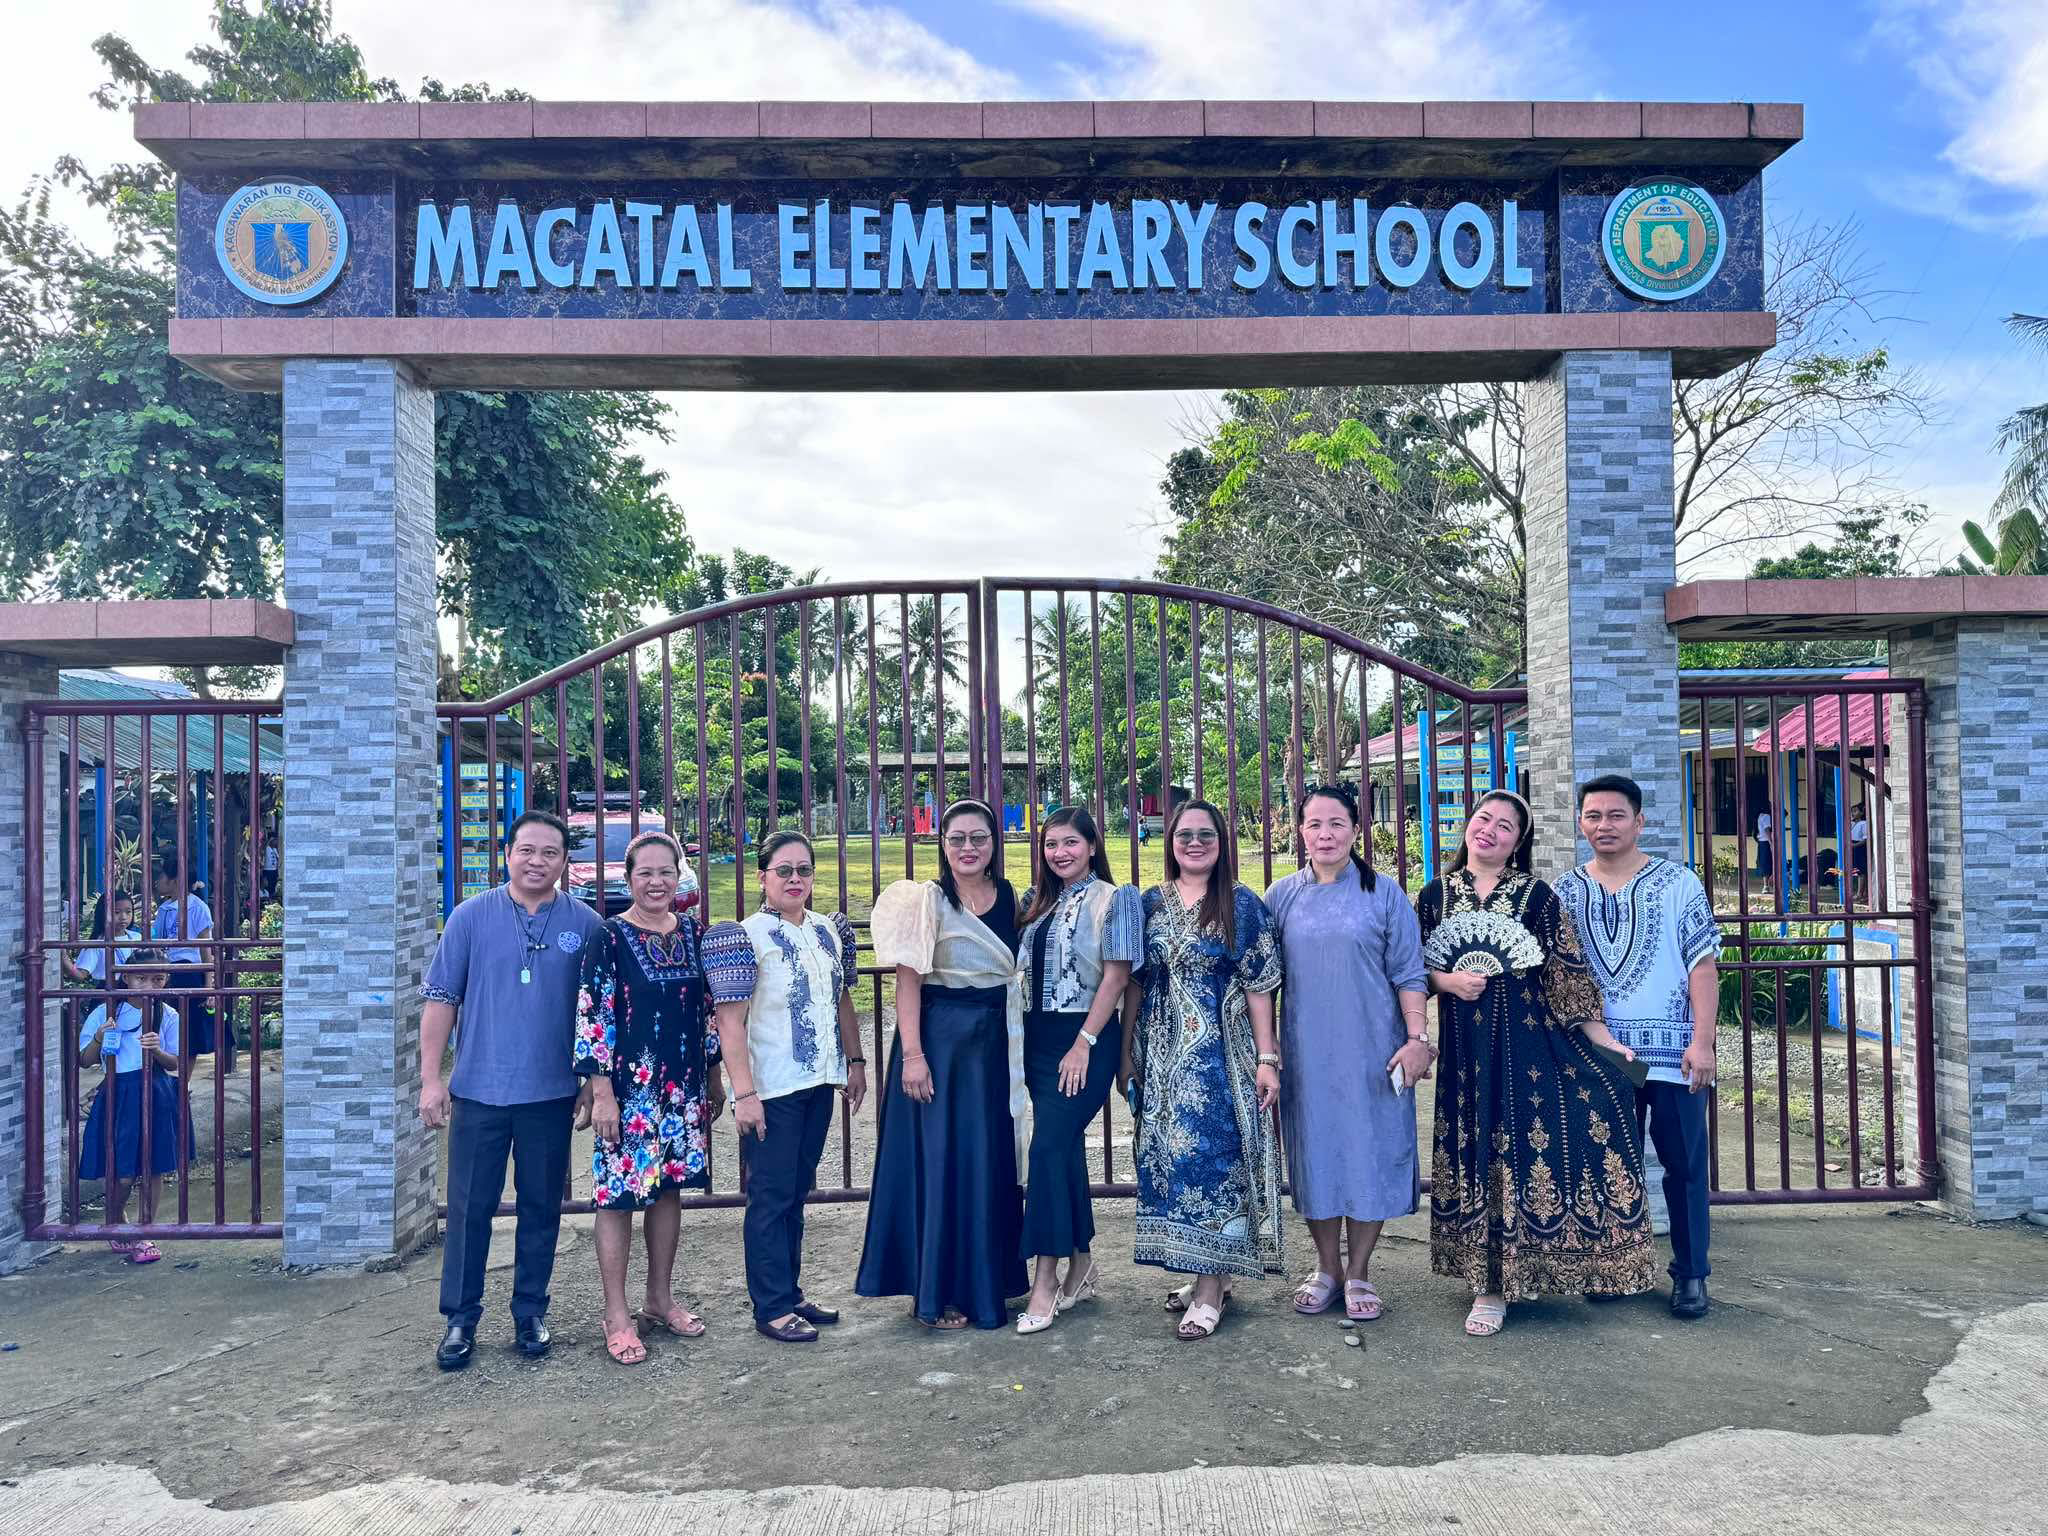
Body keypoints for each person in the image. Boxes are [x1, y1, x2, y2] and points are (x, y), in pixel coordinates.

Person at [1418, 790, 1655, 1337]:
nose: (1490, 831)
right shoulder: (1433, 898)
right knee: (1477, 1154)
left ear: (1518, 842)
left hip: (1528, 1048)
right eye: (1484, 819)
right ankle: (1485, 1284)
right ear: (1467, 825)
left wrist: (1605, 1040)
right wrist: (1446, 980)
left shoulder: (1537, 899)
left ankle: (1520, 1277)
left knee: (1527, 1155)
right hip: (1465, 1059)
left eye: (1505, 826)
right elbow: (1409, 973)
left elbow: (1566, 974)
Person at [419, 809, 603, 1371]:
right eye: (527, 850)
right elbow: (441, 1001)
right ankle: (460, 1318)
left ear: (565, 862)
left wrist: (592, 1085)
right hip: (479, 1092)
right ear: (507, 854)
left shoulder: (587, 925)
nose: (537, 861)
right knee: (470, 1210)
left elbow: (598, 1014)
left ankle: (530, 1310)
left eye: (550, 853)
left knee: (542, 1207)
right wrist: (432, 1079)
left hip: (550, 1095)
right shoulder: (470, 918)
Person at [575, 829, 748, 1365]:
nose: (656, 882)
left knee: (669, 1191)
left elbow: (709, 1012)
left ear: (681, 877)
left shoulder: (694, 934)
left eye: (666, 872)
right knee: (618, 1198)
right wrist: (602, 1093)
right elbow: (594, 1016)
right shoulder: (609, 937)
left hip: (683, 1091)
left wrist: (715, 1077)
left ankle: (659, 1298)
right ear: (629, 879)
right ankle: (617, 1313)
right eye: (645, 873)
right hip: (629, 1094)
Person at [1556, 774, 1723, 1321]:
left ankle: (1691, 1275)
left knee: (1684, 1167)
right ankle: (1613, 1267)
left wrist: (1703, 1042)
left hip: (1673, 1056)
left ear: (1639, 821)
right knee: (1606, 1167)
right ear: (1581, 822)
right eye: (1593, 816)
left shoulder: (1678, 884)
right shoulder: (1566, 892)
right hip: (1598, 1057)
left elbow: (1702, 965)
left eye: (1615, 815)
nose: (1604, 826)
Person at [856, 797, 1027, 1330]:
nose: (968, 848)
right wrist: (913, 1057)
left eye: (978, 838)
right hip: (938, 1047)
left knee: (985, 1161)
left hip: (994, 1050)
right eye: (957, 839)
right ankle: (937, 1292)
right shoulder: (925, 901)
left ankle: (987, 1285)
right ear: (943, 845)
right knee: (941, 1165)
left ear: (994, 844)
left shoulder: (1010, 899)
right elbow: (908, 981)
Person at [1265, 783, 1429, 1323]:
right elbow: (1261, 980)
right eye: (1314, 824)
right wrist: (1267, 1052)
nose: (1325, 834)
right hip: (1308, 1054)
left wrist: (1415, 1039)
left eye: (1336, 823)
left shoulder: (1385, 895)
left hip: (1373, 1053)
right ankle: (1326, 1267)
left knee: (1369, 1154)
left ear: (1356, 829)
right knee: (1316, 1155)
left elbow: (1409, 973)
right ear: (1300, 832)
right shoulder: (1281, 896)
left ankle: (1359, 1270)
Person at [1122, 799, 1285, 1342]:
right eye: (1184, 834)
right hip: (1164, 1058)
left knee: (1213, 1164)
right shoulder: (1150, 904)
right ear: (1169, 841)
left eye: (1206, 834)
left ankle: (1213, 1288)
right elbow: (1135, 982)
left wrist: (1267, 1059)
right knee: (1170, 1163)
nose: (1194, 843)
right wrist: (1129, 1052)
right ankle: (1201, 1273)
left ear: (1222, 842)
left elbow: (1261, 987)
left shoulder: (1242, 905)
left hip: (1220, 1058)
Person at [711, 831, 868, 1344]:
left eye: (804, 870)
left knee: (795, 1191)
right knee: (771, 1195)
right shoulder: (745, 935)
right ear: (762, 876)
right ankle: (772, 1305)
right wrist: (744, 1093)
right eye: (784, 870)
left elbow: (842, 999)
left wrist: (856, 1061)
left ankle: (791, 1291)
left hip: (819, 1080)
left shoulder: (827, 931)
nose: (795, 879)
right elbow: (729, 1022)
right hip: (772, 1086)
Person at [1013, 807, 1141, 1334]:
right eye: (1050, 845)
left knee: (1046, 1148)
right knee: (1059, 1149)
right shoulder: (1034, 901)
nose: (1059, 853)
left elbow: (1117, 977)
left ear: (1092, 845)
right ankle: (1082, 1262)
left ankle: (1044, 1279)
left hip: (1085, 1038)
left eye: (1070, 843)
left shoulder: (1117, 900)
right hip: (1035, 1041)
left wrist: (1086, 1042)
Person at [78, 951, 192, 1264]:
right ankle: (115, 1222)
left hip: (156, 1092)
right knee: (123, 1171)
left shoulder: (168, 1015)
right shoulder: (106, 1012)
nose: (149, 985)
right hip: (119, 1094)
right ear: (126, 978)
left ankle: (145, 1231)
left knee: (153, 1168)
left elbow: (178, 1063)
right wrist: (100, 1038)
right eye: (141, 977)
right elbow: (85, 1061)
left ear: (166, 980)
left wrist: (156, 1051)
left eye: (157, 979)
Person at [151, 859, 226, 1071]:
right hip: (165, 972)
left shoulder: (197, 907)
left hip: (189, 973)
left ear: (174, 880)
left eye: (162, 876)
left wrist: (209, 986)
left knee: (189, 1036)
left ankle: (183, 1086)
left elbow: (206, 950)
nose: (158, 881)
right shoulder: (164, 909)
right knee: (165, 1028)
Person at [64, 891, 138, 987]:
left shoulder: (137, 937)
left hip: (134, 992)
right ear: (103, 914)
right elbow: (80, 975)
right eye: (116, 912)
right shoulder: (96, 943)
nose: (123, 917)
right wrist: (63, 958)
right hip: (106, 993)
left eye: (128, 912)